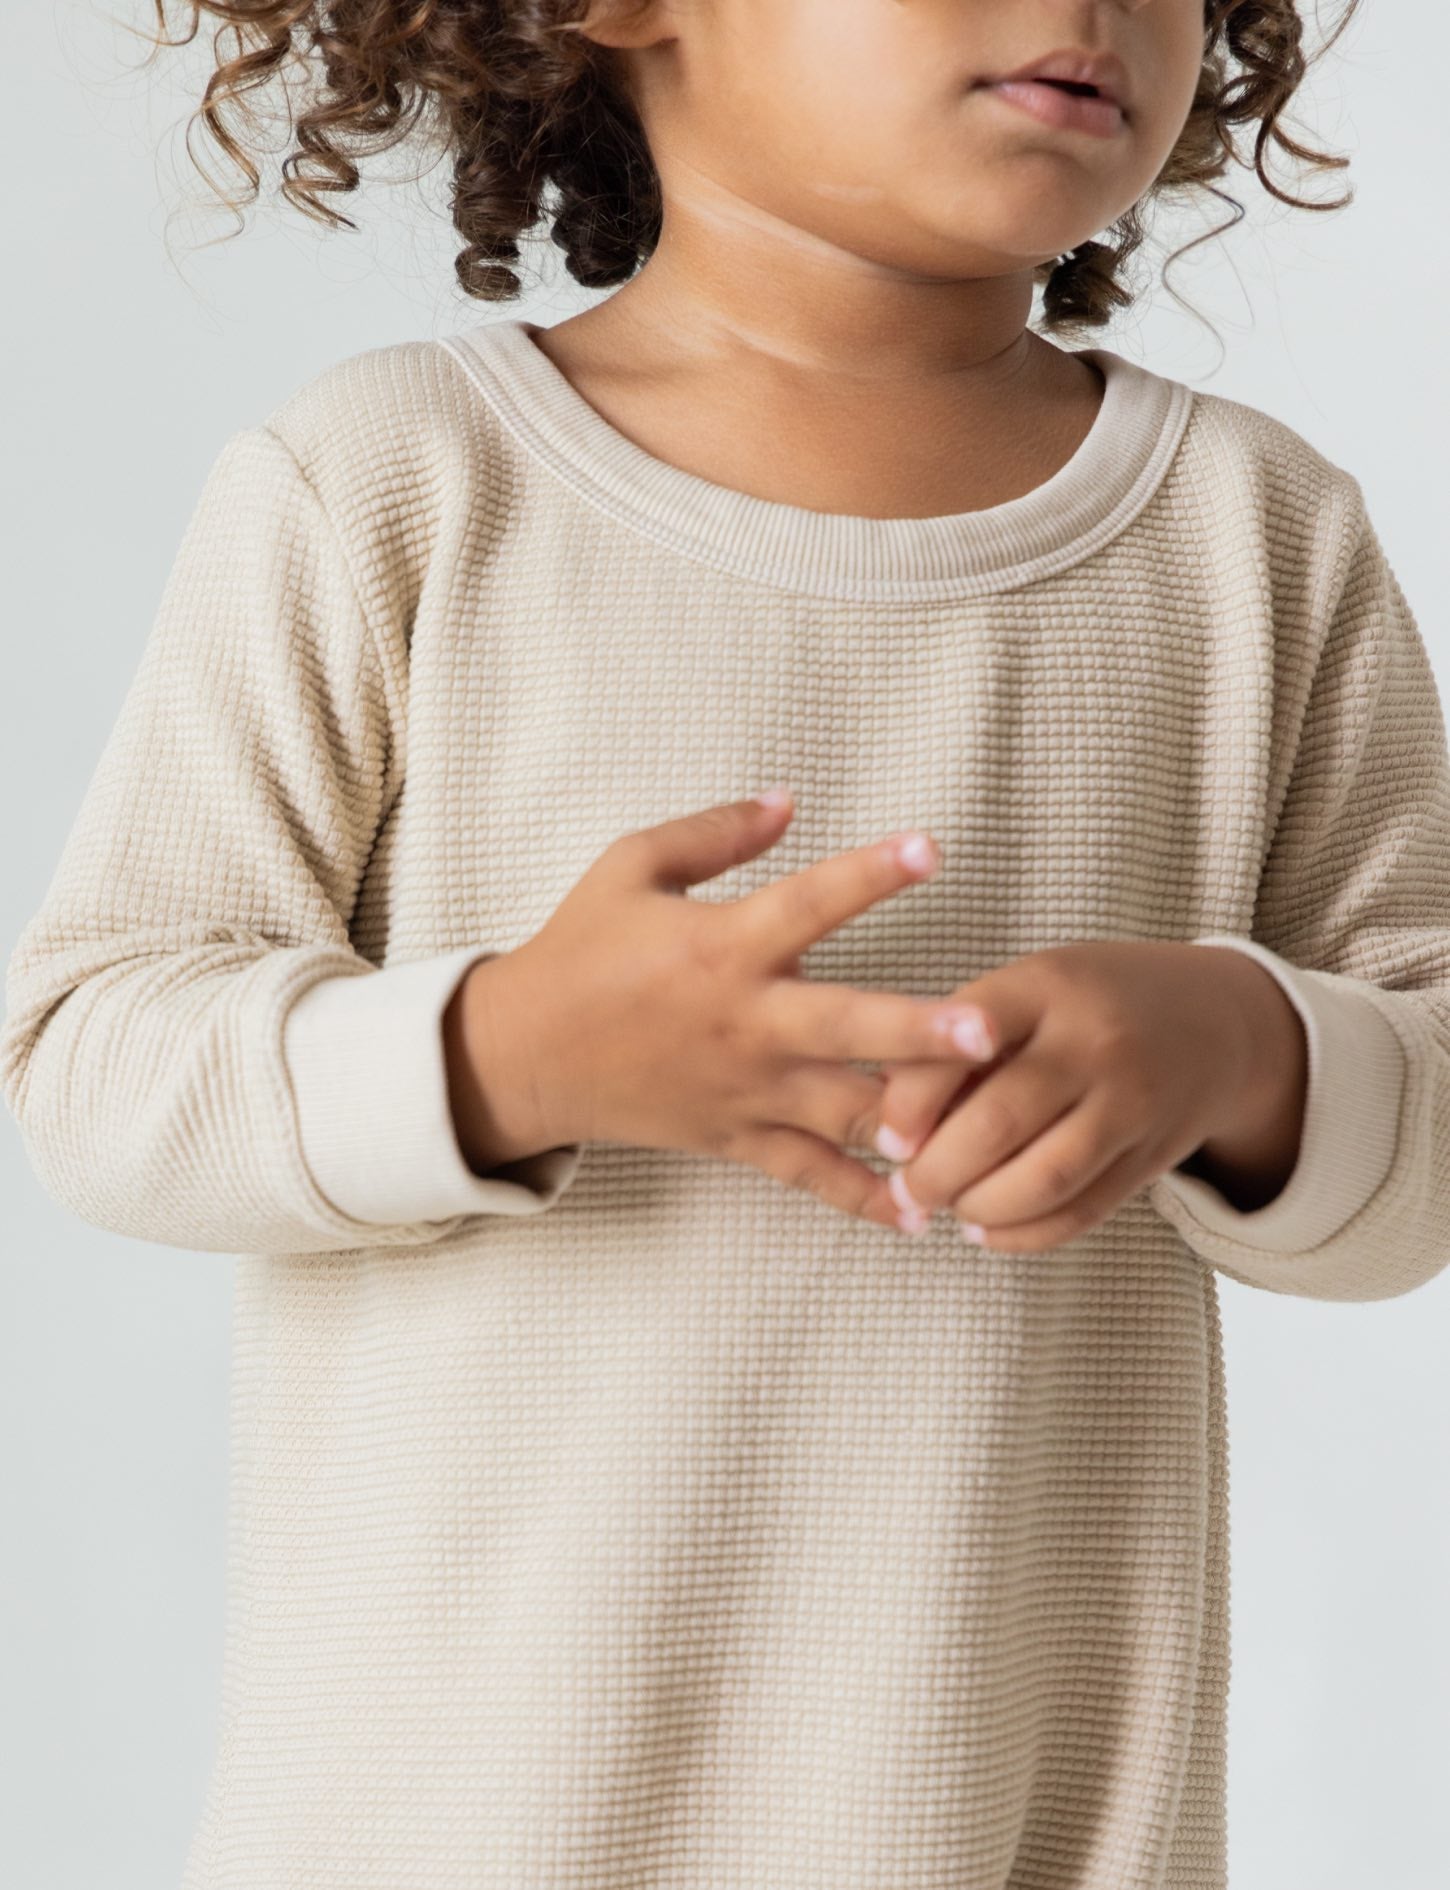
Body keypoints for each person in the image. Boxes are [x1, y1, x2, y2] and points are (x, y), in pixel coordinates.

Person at [3, 0, 1443, 1884]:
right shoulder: (389, 486)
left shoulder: (1255, 535)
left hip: (1021, 1828)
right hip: (451, 1831)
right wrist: (508, 1055)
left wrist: (1248, 1048)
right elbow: (97, 1052)